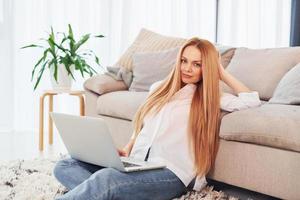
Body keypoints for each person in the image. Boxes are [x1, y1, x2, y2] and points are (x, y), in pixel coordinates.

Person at [53, 38, 262, 200]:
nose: (187, 68)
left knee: (106, 179)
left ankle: (104, 191)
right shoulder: (158, 88)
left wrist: (221, 72)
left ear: (206, 68)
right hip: (140, 163)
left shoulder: (210, 99)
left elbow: (251, 101)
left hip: (171, 173)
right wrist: (128, 148)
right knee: (65, 165)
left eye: (197, 64)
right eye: (184, 61)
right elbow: (144, 125)